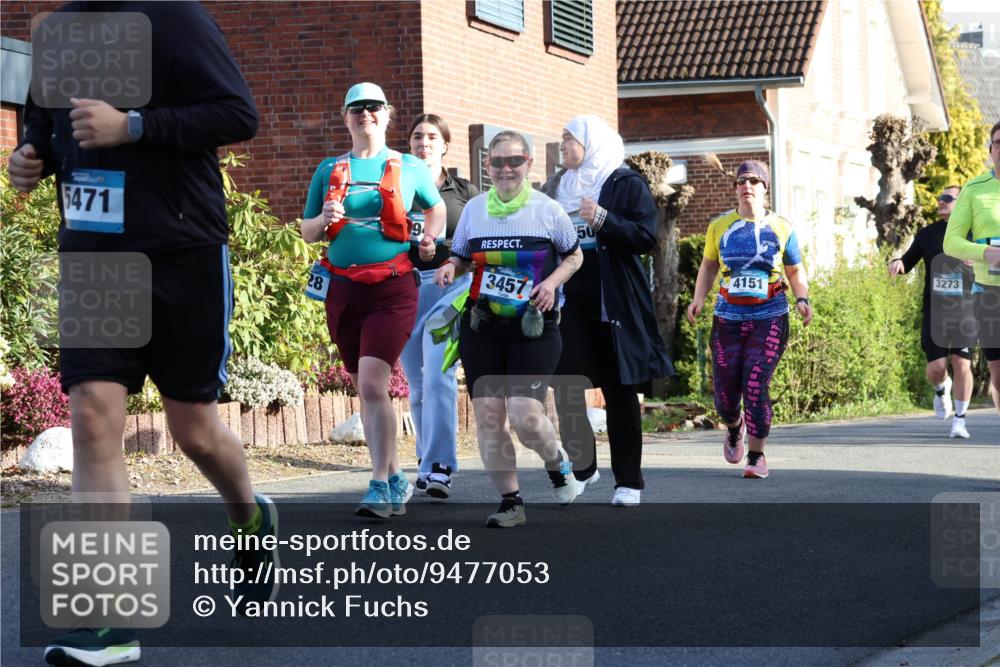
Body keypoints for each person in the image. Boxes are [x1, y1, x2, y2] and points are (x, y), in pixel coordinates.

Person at [8, 3, 276, 664]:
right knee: (94, 416)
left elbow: (237, 113)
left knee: (194, 430)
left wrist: (134, 125)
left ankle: (250, 513)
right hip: (96, 254)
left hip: (181, 252)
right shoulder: (59, 31)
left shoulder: (174, 16)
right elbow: (44, 118)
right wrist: (30, 154)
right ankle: (107, 619)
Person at [300, 83, 446, 519]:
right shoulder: (329, 169)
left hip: (393, 288)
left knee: (370, 384)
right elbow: (307, 231)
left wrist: (430, 238)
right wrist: (323, 218)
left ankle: (379, 484)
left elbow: (435, 209)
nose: (366, 114)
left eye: (374, 108)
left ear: (387, 115)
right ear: (345, 117)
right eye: (357, 108)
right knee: (368, 388)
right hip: (343, 290)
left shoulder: (410, 167)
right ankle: (398, 477)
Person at [434, 130, 584, 527]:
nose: (506, 169)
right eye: (497, 162)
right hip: (483, 324)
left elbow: (574, 256)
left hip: (534, 326)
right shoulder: (475, 210)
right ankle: (510, 502)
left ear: (529, 164)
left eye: (514, 161)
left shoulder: (547, 209)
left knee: (524, 416)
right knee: (488, 416)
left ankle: (557, 463)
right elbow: (463, 256)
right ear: (487, 166)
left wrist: (552, 284)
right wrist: (451, 267)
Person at [541, 115, 673, 507]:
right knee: (565, 384)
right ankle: (583, 468)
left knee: (619, 390)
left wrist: (603, 219)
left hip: (612, 300)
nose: (562, 144)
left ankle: (628, 482)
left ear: (590, 142)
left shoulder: (623, 182)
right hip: (568, 301)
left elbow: (646, 236)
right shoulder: (553, 188)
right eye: (561, 138)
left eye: (568, 138)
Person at [686, 160, 812, 479]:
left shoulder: (783, 227)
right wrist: (698, 298)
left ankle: (756, 456)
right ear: (736, 189)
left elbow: (795, 270)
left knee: (756, 383)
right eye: (742, 181)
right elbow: (708, 267)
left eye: (755, 181)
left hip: (769, 315)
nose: (747, 186)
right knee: (726, 395)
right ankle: (733, 426)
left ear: (765, 189)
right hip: (727, 317)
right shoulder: (719, 226)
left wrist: (802, 299)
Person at [399, 114, 479, 499]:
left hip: (452, 288)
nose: (423, 142)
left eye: (432, 136)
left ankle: (442, 466)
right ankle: (425, 462)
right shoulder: (396, 187)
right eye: (417, 136)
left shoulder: (464, 191)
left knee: (438, 377)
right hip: (406, 288)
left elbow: (484, 240)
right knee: (416, 386)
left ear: (445, 145)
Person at [889, 185, 977, 438]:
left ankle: (959, 420)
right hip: (935, 312)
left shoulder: (975, 235)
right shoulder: (927, 235)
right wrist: (897, 263)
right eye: (939, 197)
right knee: (937, 368)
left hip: (967, 311)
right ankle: (941, 390)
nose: (940, 201)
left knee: (962, 363)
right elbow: (907, 261)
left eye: (947, 198)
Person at [944, 119, 1000, 416]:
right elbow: (951, 242)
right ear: (991, 150)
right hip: (989, 293)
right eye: (999, 142)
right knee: (999, 376)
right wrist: (985, 252)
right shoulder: (975, 189)